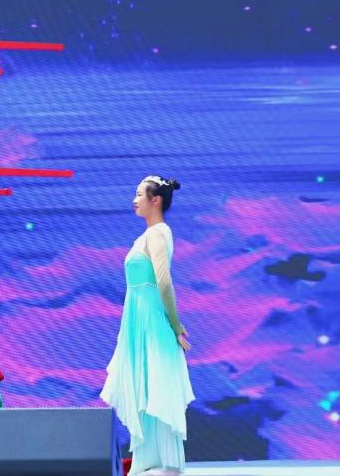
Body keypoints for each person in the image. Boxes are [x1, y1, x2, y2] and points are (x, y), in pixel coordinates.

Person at [100, 176, 194, 476]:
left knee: (155, 383)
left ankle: (165, 463)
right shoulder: (148, 235)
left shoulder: (158, 234)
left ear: (156, 200)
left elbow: (163, 282)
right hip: (138, 319)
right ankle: (150, 460)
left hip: (152, 319)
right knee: (146, 383)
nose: (134, 199)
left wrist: (176, 325)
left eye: (140, 194)